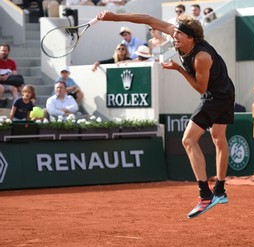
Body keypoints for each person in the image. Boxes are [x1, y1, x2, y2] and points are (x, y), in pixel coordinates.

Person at [96, 10, 235, 218]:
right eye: (175, 32)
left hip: (216, 95)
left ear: (191, 38)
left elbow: (200, 88)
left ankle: (205, 195)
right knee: (218, 139)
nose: (174, 37)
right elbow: (148, 18)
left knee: (188, 141)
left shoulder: (201, 58)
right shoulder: (178, 35)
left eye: (179, 34)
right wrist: (116, 17)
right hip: (226, 90)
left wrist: (179, 69)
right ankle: (220, 191)